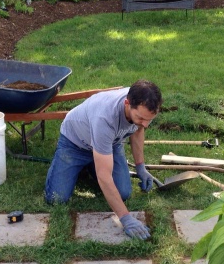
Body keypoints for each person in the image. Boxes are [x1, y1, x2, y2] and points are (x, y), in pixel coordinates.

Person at [44, 80, 162, 240]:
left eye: (149, 119)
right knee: (56, 198)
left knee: (123, 192)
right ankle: (82, 165)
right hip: (75, 144)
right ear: (127, 104)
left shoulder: (145, 106)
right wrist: (126, 219)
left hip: (111, 142)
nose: (146, 124)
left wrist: (141, 166)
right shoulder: (105, 118)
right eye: (141, 118)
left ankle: (92, 164)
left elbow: (138, 130)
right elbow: (104, 176)